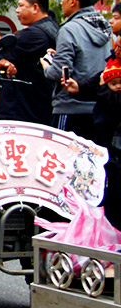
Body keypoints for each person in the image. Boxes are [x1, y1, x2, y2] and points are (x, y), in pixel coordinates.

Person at [42, 0, 112, 138]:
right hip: (100, 108)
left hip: (70, 108)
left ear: (73, 1)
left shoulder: (70, 29)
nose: (61, 3)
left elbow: (59, 72)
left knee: (63, 158)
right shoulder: (106, 27)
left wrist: (46, 65)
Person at [63, 58, 121, 228]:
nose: (116, 50)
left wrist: (104, 88)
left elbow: (115, 102)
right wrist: (78, 87)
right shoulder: (112, 63)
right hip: (107, 137)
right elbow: (95, 84)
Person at [0, 0, 59, 124]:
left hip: (25, 109)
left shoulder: (33, 34)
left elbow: (1, 53)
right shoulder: (53, 28)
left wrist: (3, 61)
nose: (17, 10)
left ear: (35, 7)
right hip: (42, 105)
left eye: (21, 5)